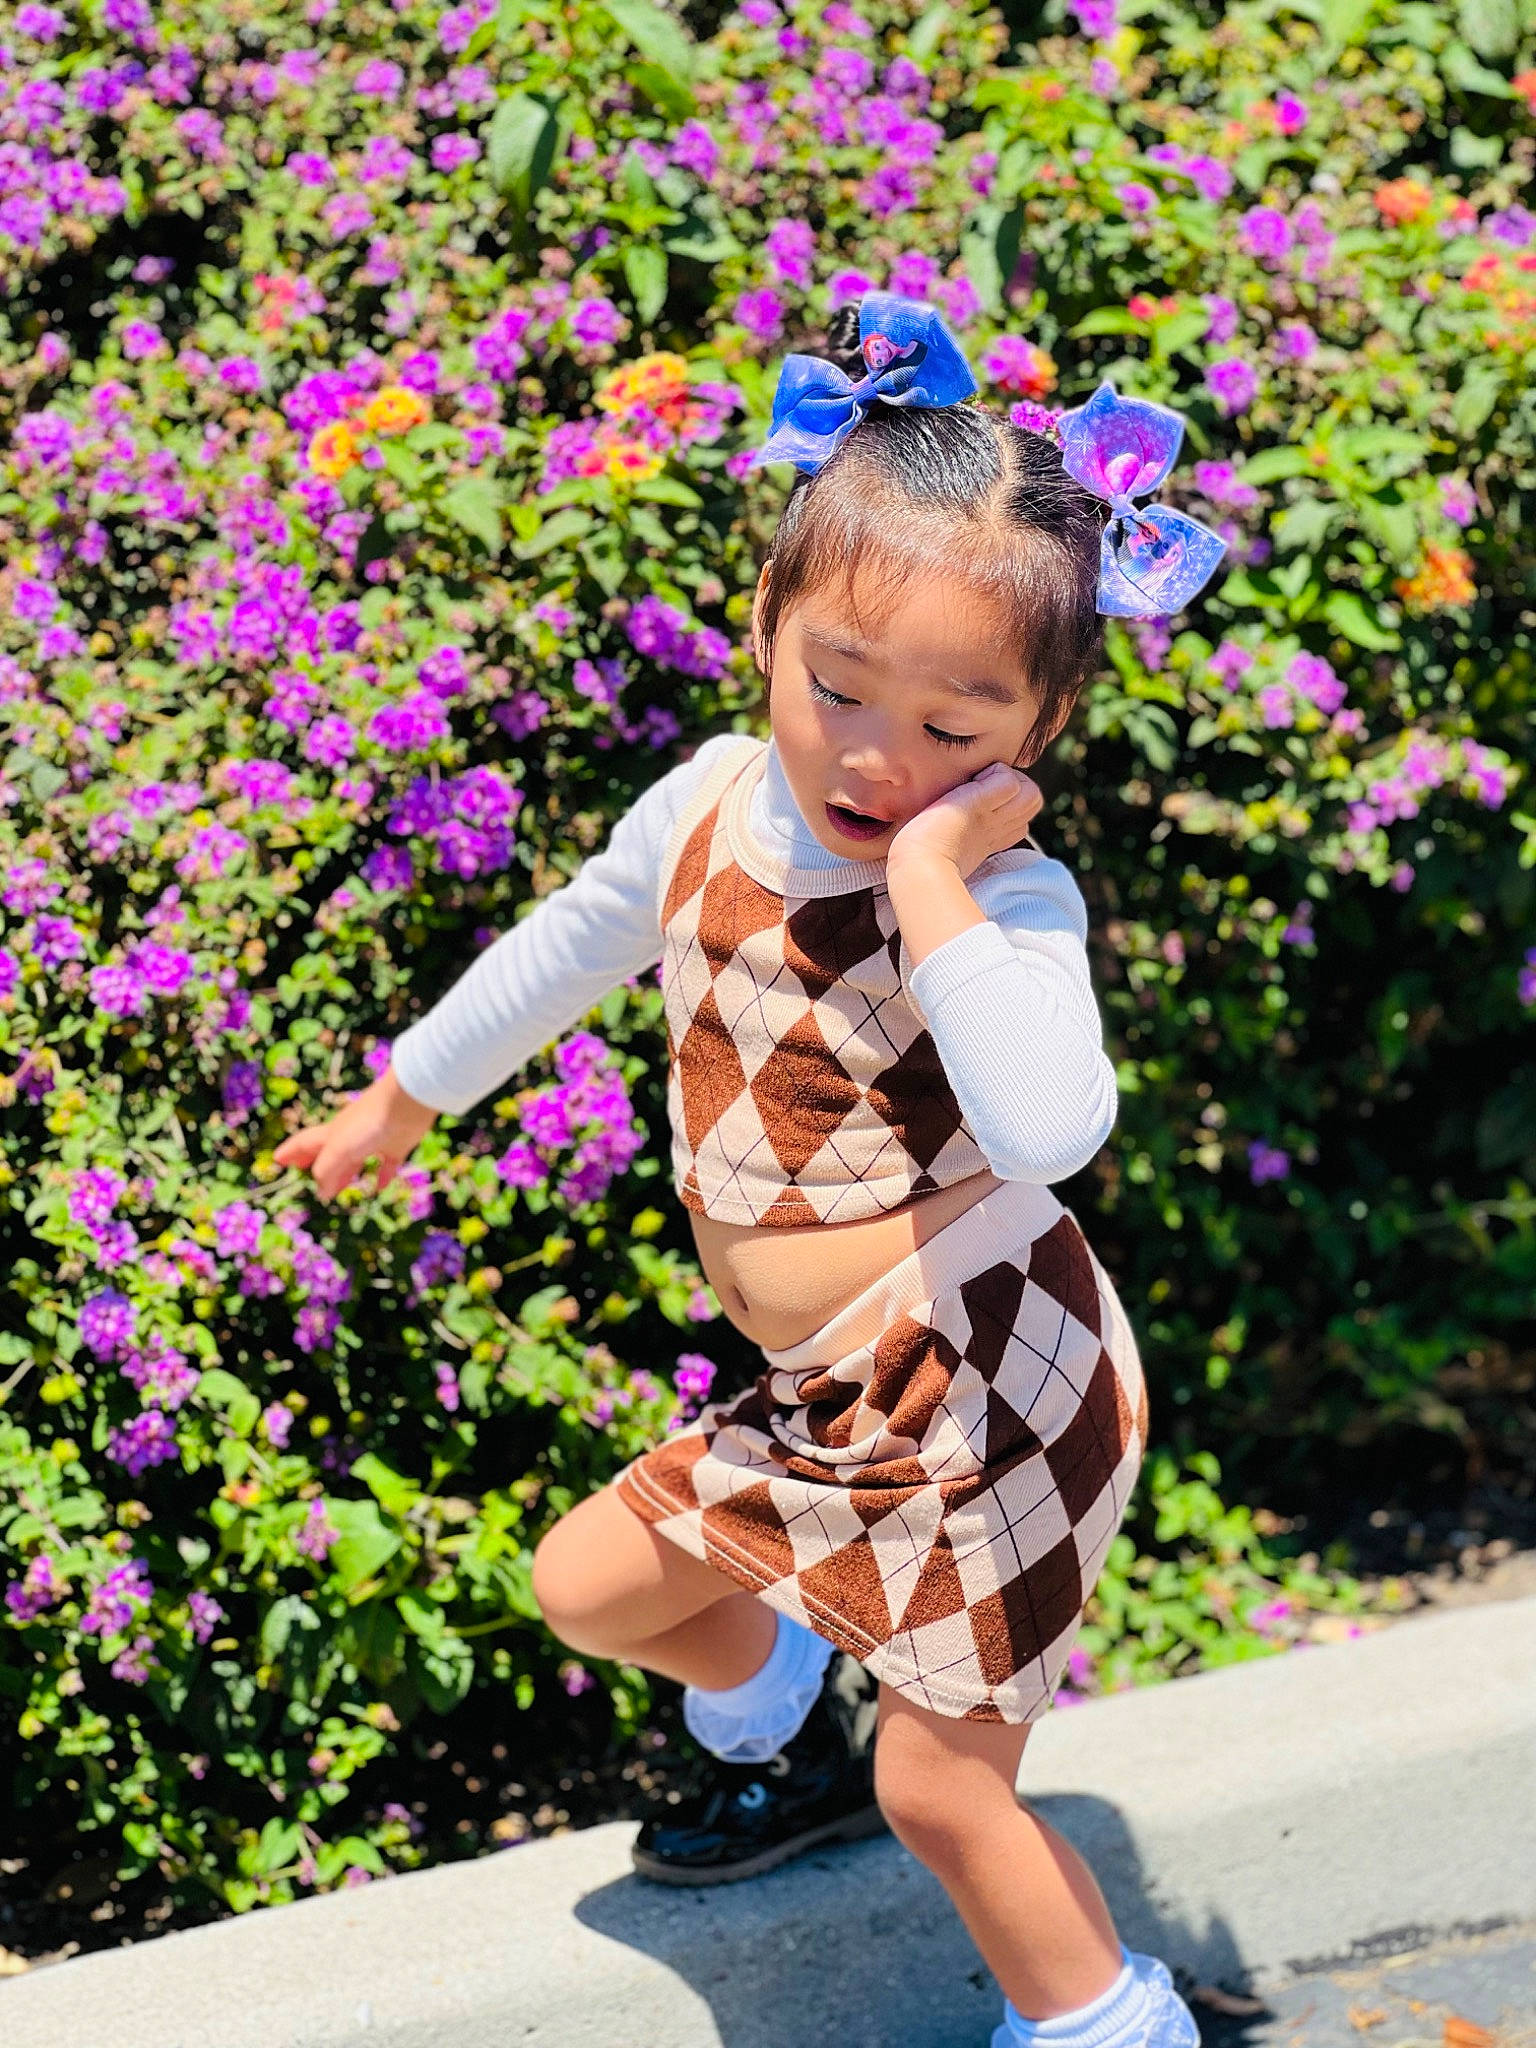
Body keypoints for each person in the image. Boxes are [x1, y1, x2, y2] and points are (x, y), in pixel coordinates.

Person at [274, 292, 1226, 2048]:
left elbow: (1051, 1133)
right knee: (589, 1586)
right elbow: (572, 945)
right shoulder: (709, 802)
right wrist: (408, 1093)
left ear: (1040, 727)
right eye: (839, 688)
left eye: (956, 729)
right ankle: (786, 1725)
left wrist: (932, 882)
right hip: (831, 1392)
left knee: (946, 1793)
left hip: (993, 1387)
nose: (880, 757)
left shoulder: (1004, 900)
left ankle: (1109, 2026)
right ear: (769, 618)